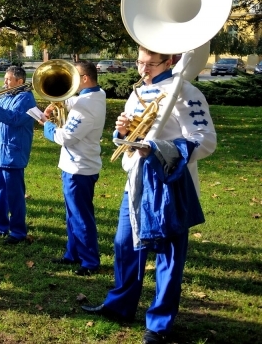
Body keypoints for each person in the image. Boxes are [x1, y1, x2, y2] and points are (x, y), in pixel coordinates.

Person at [82, 48, 217, 344]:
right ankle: (121, 305)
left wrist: (160, 149)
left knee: (168, 255)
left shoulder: (185, 91)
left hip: (170, 184)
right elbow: (130, 138)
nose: (142, 69)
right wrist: (123, 132)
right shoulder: (138, 92)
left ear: (170, 61)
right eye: (139, 62)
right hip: (136, 181)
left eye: (149, 63)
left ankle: (159, 324)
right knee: (125, 244)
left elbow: (205, 141)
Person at [40, 61, 106, 276]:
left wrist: (47, 125)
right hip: (77, 165)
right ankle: (73, 254)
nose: (72, 81)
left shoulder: (86, 105)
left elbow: (66, 137)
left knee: (80, 216)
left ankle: (89, 261)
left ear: (85, 79)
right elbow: (75, 103)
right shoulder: (96, 95)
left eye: (75, 77)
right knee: (72, 215)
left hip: (79, 167)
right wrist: (58, 104)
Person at [0, 66, 36, 243]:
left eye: (8, 79)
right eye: (4, 78)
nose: (4, 82)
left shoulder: (26, 98)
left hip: (13, 152)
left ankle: (18, 232)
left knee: (14, 195)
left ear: (19, 81)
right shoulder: (4, 96)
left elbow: (15, 119)